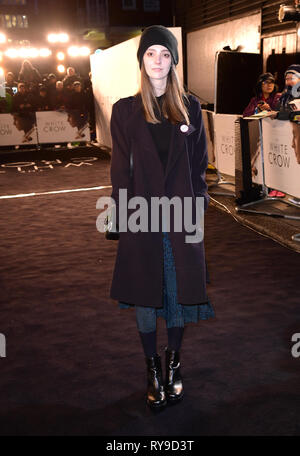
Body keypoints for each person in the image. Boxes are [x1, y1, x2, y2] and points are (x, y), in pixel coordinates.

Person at [109, 25, 215, 411]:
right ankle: (151, 366)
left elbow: (201, 163)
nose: (158, 61)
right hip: (142, 217)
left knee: (177, 293)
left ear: (173, 62)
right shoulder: (124, 110)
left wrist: (198, 202)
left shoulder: (190, 107)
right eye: (151, 53)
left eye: (165, 54)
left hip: (182, 216)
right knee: (145, 296)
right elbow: (120, 168)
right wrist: (121, 214)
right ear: (142, 60)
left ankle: (174, 363)